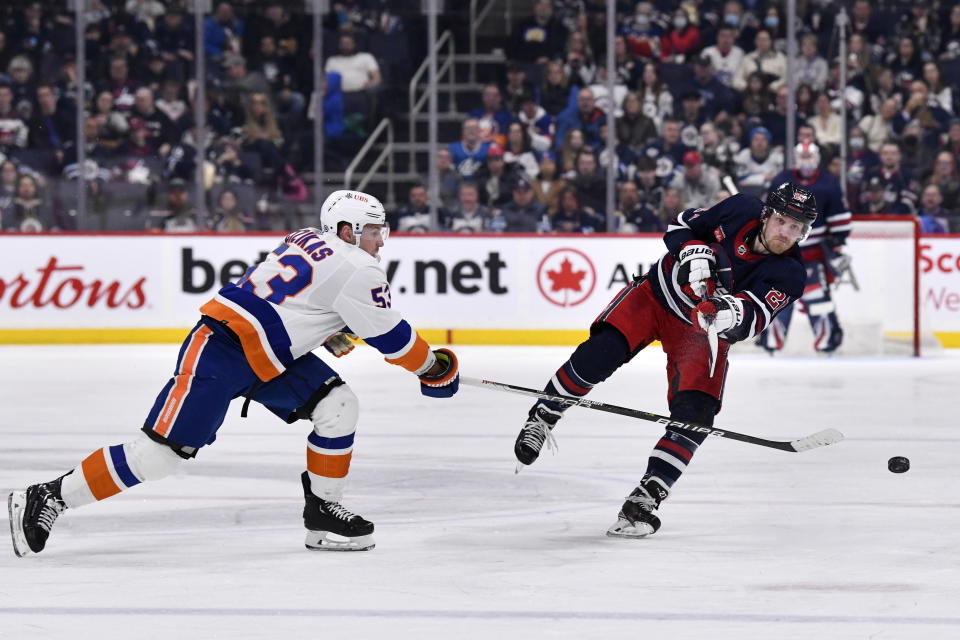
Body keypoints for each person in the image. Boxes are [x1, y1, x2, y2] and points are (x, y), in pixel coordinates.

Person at [8, 190, 460, 557]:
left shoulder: (308, 237)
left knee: (338, 405)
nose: (382, 241)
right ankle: (50, 495)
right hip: (221, 351)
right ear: (348, 230)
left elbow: (297, 300)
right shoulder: (358, 267)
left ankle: (324, 510)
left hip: (268, 356)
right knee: (161, 455)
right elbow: (395, 341)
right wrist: (434, 369)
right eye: (376, 231)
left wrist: (326, 329)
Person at [512, 183, 814, 537]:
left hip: (699, 332)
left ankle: (646, 497)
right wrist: (692, 250)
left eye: (796, 228)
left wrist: (727, 311)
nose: (786, 233)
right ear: (766, 215)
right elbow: (679, 225)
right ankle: (544, 415)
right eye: (781, 221)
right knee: (599, 355)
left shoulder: (790, 273)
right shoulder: (740, 209)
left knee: (697, 413)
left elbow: (754, 317)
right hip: (655, 297)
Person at [763, 142, 851, 354]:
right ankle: (772, 341)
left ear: (817, 158)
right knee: (777, 295)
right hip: (782, 253)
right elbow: (767, 215)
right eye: (802, 158)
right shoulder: (782, 181)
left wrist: (837, 244)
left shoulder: (828, 183)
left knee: (816, 296)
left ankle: (827, 340)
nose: (806, 163)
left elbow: (839, 221)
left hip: (813, 254)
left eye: (809, 158)